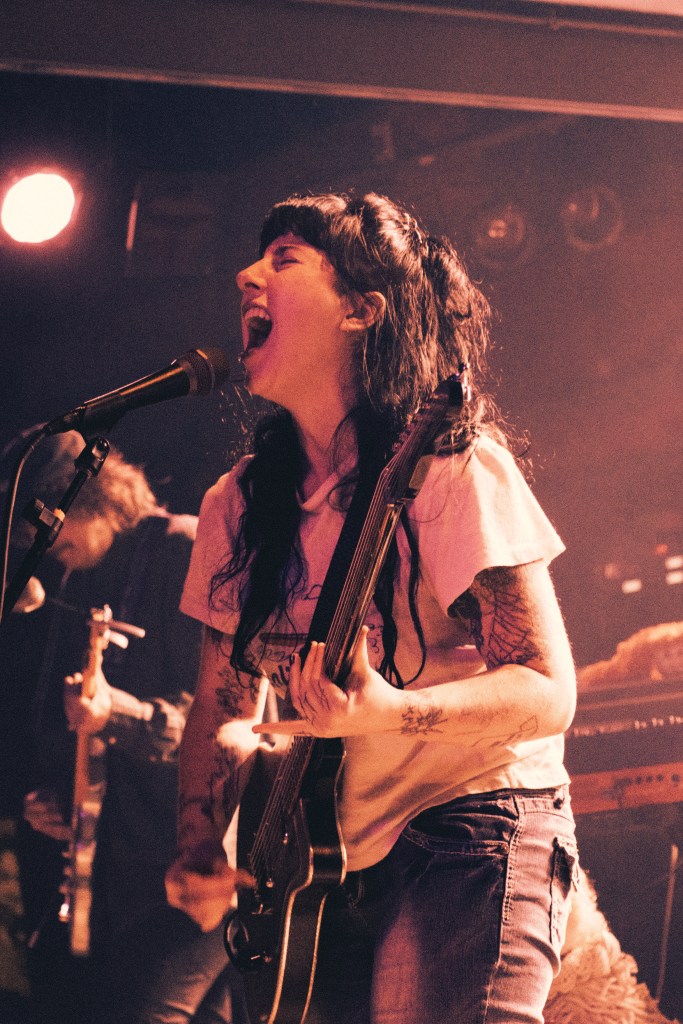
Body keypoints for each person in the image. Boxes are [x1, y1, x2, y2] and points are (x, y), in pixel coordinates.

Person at [165, 191, 579, 1024]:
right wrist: (199, 841)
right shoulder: (236, 505)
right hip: (321, 858)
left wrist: (388, 712)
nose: (246, 275)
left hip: (470, 822)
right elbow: (222, 701)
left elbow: (545, 690)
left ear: (361, 309)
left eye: (284, 259)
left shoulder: (450, 470)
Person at [1, 431, 244, 1024]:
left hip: (185, 864)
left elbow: (220, 715)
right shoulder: (78, 575)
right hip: (110, 876)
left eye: (51, 532)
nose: (46, 550)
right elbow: (62, 714)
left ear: (94, 500)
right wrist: (53, 794)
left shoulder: (183, 548)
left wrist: (120, 715)